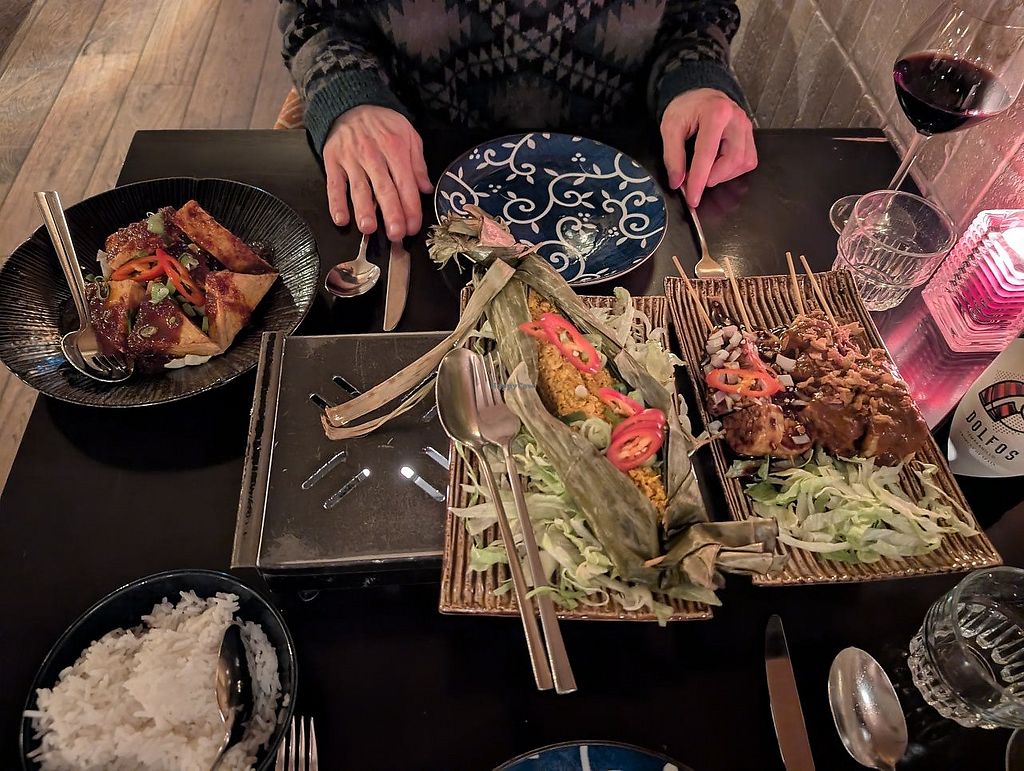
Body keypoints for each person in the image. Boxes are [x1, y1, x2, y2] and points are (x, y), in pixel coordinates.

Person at [278, 1, 757, 243]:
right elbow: (316, 18)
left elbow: (695, 18)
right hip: (418, 175)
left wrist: (696, 79)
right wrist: (351, 96)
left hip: (625, 189)